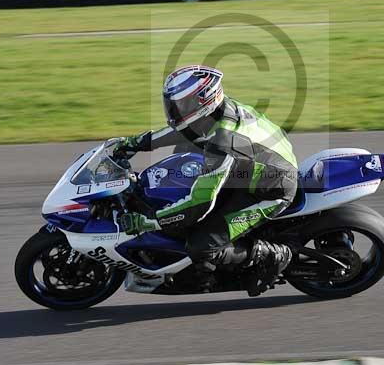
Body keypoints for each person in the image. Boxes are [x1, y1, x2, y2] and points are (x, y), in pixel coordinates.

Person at [116, 65, 298, 296]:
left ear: (203, 101)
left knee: (203, 245)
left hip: (271, 189)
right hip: (252, 169)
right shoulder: (215, 113)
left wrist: (150, 222)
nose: (174, 110)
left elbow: (200, 203)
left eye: (182, 105)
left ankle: (273, 255)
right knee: (181, 156)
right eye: (172, 104)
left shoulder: (222, 142)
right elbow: (182, 132)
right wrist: (134, 143)